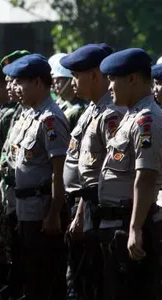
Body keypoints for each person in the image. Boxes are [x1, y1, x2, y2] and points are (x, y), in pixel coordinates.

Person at [59, 43, 124, 300]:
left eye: (76, 75)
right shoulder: (92, 109)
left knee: (94, 279)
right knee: (81, 279)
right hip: (81, 206)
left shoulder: (111, 114)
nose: (72, 82)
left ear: (95, 75)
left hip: (94, 209)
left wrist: (81, 214)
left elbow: (106, 171)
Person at [3, 54, 69, 300]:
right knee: (29, 279)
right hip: (25, 210)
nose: (15, 88)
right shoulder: (28, 115)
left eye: (21, 83)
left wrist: (53, 213)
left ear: (39, 83)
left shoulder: (50, 118)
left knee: (44, 280)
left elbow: (58, 170)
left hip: (42, 212)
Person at [98, 48, 162, 300]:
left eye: (113, 78)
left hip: (134, 226)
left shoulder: (147, 120)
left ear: (133, 79)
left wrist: (135, 228)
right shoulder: (131, 117)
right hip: (118, 226)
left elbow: (145, 177)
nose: (109, 85)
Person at [0, 50, 30, 300]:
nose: (11, 86)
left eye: (15, 80)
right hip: (11, 195)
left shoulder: (44, 115)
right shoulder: (19, 112)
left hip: (30, 201)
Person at [49, 53, 88, 131]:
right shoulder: (59, 104)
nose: (55, 84)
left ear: (69, 80)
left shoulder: (79, 110)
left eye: (58, 80)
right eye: (54, 80)